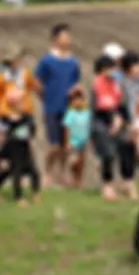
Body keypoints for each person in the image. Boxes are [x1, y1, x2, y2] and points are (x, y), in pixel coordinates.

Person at [33, 23, 81, 187]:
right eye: (64, 36)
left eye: (69, 36)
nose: (68, 39)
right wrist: (44, 96)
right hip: (52, 107)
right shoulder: (47, 61)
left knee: (65, 145)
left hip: (69, 108)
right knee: (53, 144)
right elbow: (37, 81)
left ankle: (61, 173)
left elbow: (76, 81)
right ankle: (47, 173)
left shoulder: (73, 61)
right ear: (55, 39)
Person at [90, 54, 126, 200]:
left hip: (113, 120)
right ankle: (107, 186)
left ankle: (115, 182)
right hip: (100, 122)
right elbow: (103, 104)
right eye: (110, 68)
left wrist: (119, 118)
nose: (113, 71)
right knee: (108, 154)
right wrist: (114, 119)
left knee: (119, 150)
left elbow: (118, 102)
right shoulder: (98, 83)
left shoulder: (114, 83)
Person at [0, 87, 41, 206]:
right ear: (13, 104)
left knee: (34, 171)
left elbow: (32, 130)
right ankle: (18, 197)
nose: (23, 105)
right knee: (16, 172)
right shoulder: (7, 119)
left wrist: (31, 139)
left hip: (25, 146)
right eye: (20, 102)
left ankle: (35, 193)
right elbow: (4, 134)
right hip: (14, 148)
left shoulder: (27, 117)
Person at [114, 50, 139, 193]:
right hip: (125, 121)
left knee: (136, 152)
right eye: (137, 65)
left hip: (138, 120)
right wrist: (127, 122)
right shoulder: (120, 82)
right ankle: (128, 182)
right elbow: (120, 104)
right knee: (126, 149)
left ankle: (126, 182)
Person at [62, 86, 92, 188]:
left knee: (81, 162)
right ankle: (73, 178)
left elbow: (89, 127)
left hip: (83, 141)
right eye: (75, 100)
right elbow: (67, 128)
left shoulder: (87, 113)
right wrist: (67, 142)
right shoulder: (70, 114)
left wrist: (90, 140)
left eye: (80, 100)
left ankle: (79, 181)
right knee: (73, 161)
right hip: (73, 141)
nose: (78, 102)